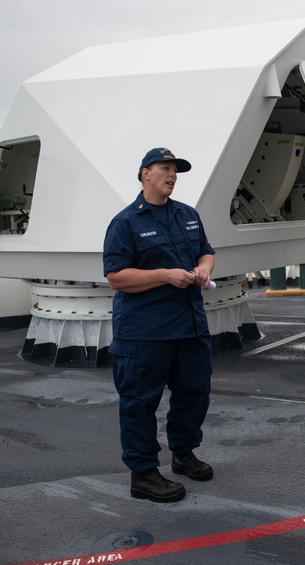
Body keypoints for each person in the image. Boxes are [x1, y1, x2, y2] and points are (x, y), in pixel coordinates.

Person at [102, 147, 216, 503]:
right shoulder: (125, 223)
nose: (172, 175)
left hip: (189, 326)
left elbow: (206, 251)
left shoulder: (187, 214)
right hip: (145, 332)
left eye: (176, 170)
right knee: (139, 402)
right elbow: (116, 277)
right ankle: (144, 473)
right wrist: (165, 275)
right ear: (144, 173)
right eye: (165, 168)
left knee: (194, 394)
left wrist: (205, 268)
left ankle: (183, 454)